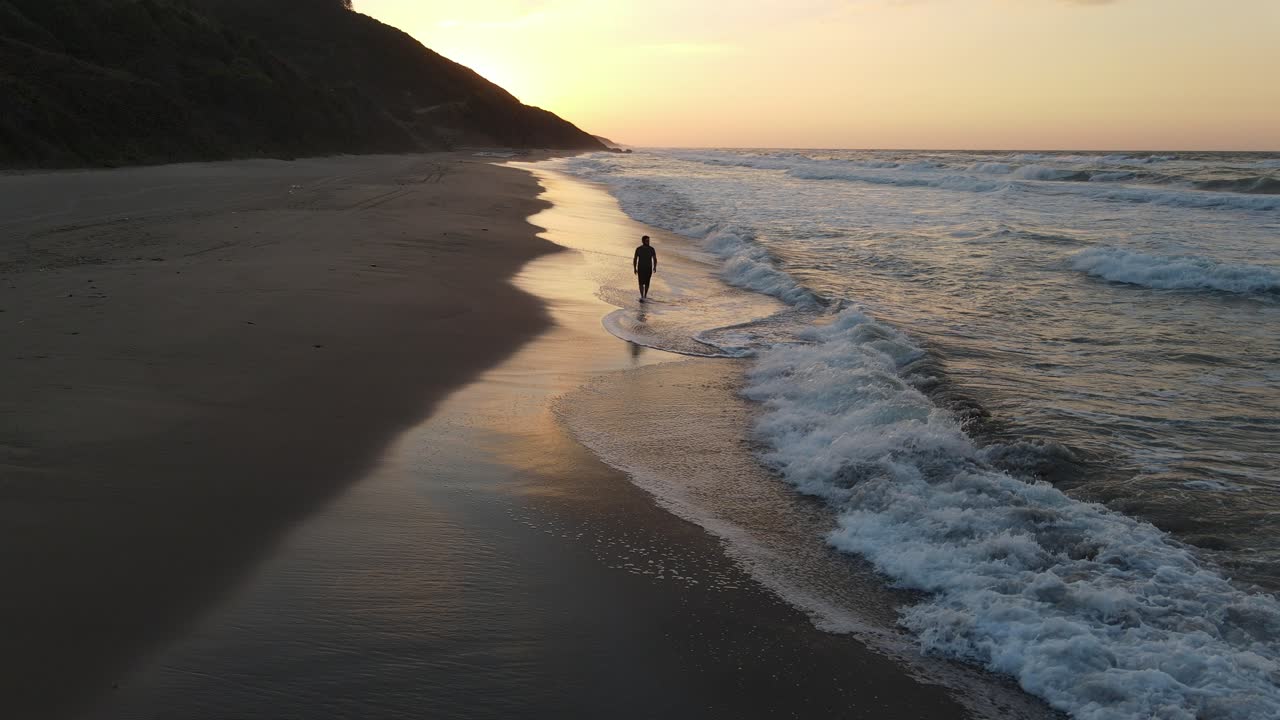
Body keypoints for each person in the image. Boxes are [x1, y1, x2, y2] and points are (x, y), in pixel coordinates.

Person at [633, 235, 657, 301]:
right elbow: (635, 259)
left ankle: (645, 295)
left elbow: (654, 259)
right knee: (641, 283)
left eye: (649, 241)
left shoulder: (652, 249)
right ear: (643, 241)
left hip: (648, 268)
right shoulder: (639, 249)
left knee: (647, 283)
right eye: (647, 241)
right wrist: (635, 268)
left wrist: (655, 267)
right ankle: (642, 296)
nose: (648, 242)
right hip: (641, 268)